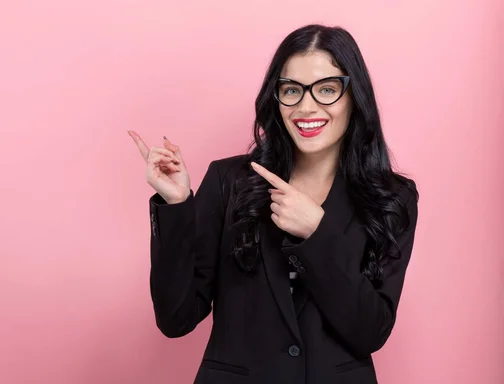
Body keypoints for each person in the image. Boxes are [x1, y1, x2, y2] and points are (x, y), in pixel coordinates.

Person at [128, 24, 419, 384]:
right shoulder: (229, 181)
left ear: (353, 96)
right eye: (292, 90)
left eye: (327, 89)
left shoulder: (392, 197)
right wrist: (176, 206)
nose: (306, 106)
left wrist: (317, 234)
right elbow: (176, 319)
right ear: (276, 97)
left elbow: (370, 331)